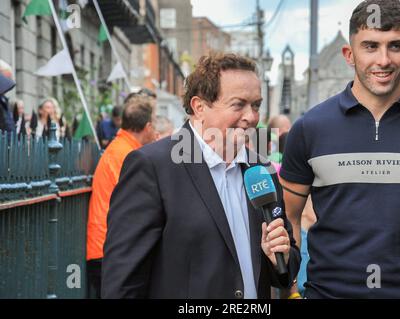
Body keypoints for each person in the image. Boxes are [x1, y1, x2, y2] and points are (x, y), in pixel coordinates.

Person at [280, 0, 400, 298]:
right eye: (370, 46)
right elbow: (288, 219)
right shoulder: (310, 128)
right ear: (350, 54)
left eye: (395, 46)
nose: (383, 60)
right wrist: (290, 291)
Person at [102, 53, 300, 299]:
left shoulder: (261, 170)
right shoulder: (152, 167)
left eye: (256, 105)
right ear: (199, 107)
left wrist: (279, 256)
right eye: (238, 104)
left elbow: (286, 267)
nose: (251, 117)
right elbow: (123, 281)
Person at [86, 94, 157, 299]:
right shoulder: (126, 154)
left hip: (108, 248)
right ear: (147, 126)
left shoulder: (122, 149)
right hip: (109, 249)